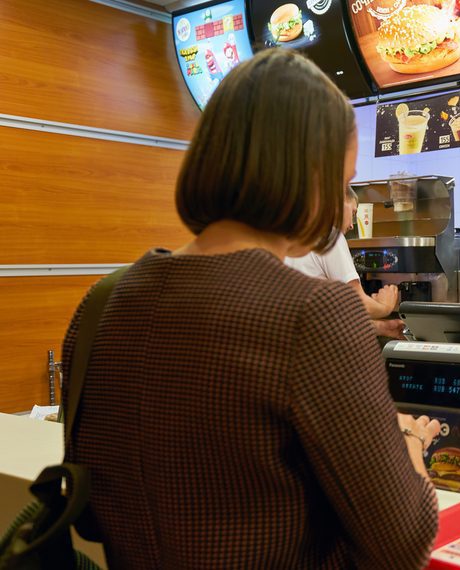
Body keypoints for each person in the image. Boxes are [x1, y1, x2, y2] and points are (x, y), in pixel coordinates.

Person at [61, 49, 440, 568]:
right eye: (341, 181)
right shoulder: (314, 314)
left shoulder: (104, 302)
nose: (340, 209)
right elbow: (402, 540)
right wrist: (408, 440)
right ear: (304, 173)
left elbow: (92, 503)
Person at [286, 188, 405, 337]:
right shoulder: (330, 235)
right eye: (354, 213)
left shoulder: (292, 234)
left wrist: (379, 327)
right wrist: (385, 307)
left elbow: (327, 313)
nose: (351, 226)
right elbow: (353, 303)